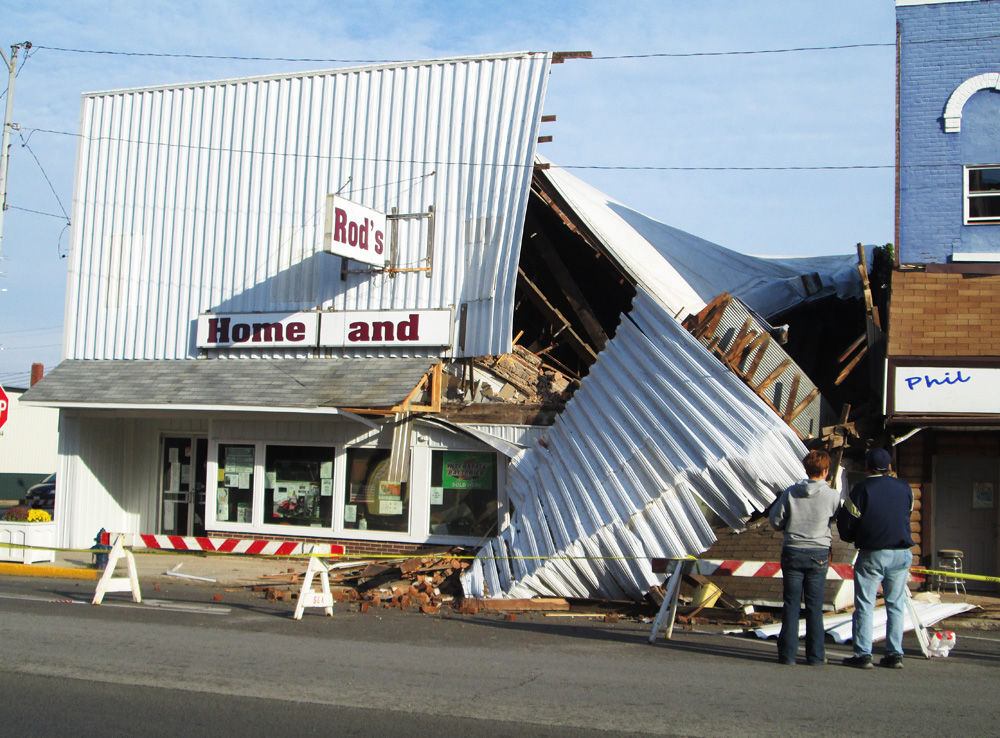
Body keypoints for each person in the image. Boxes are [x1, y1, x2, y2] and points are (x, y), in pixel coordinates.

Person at [837, 447, 915, 669]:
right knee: (895, 604)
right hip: (901, 553)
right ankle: (894, 653)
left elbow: (848, 520)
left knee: (865, 604)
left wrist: (852, 536)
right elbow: (907, 513)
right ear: (889, 467)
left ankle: (863, 654)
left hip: (873, 552)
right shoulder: (904, 488)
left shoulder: (862, 489)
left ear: (867, 467)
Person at [768, 449, 841, 666]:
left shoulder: (791, 492)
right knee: (814, 605)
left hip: (793, 548)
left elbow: (775, 521)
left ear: (806, 469)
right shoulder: (832, 495)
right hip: (818, 551)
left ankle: (788, 655)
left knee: (790, 603)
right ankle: (816, 656)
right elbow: (836, 518)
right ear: (826, 471)